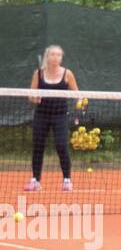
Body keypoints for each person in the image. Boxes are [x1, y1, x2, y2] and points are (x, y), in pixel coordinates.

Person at [25, 45, 80, 193]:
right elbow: (31, 95)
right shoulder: (38, 74)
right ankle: (35, 180)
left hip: (60, 115)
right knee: (38, 147)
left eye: (58, 55)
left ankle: (67, 180)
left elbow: (77, 94)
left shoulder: (67, 74)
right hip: (41, 115)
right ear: (47, 57)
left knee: (61, 146)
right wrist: (34, 98)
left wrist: (80, 103)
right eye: (52, 55)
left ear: (61, 58)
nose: (55, 57)